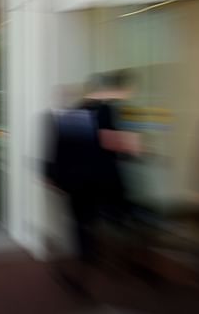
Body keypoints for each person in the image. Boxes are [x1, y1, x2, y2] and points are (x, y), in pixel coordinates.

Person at [45, 70, 141, 293]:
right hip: (103, 181)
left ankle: (82, 273)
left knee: (82, 226)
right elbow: (111, 142)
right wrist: (133, 146)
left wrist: (56, 176)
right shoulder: (106, 110)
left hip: (77, 184)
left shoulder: (71, 113)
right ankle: (121, 264)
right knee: (119, 220)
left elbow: (61, 148)